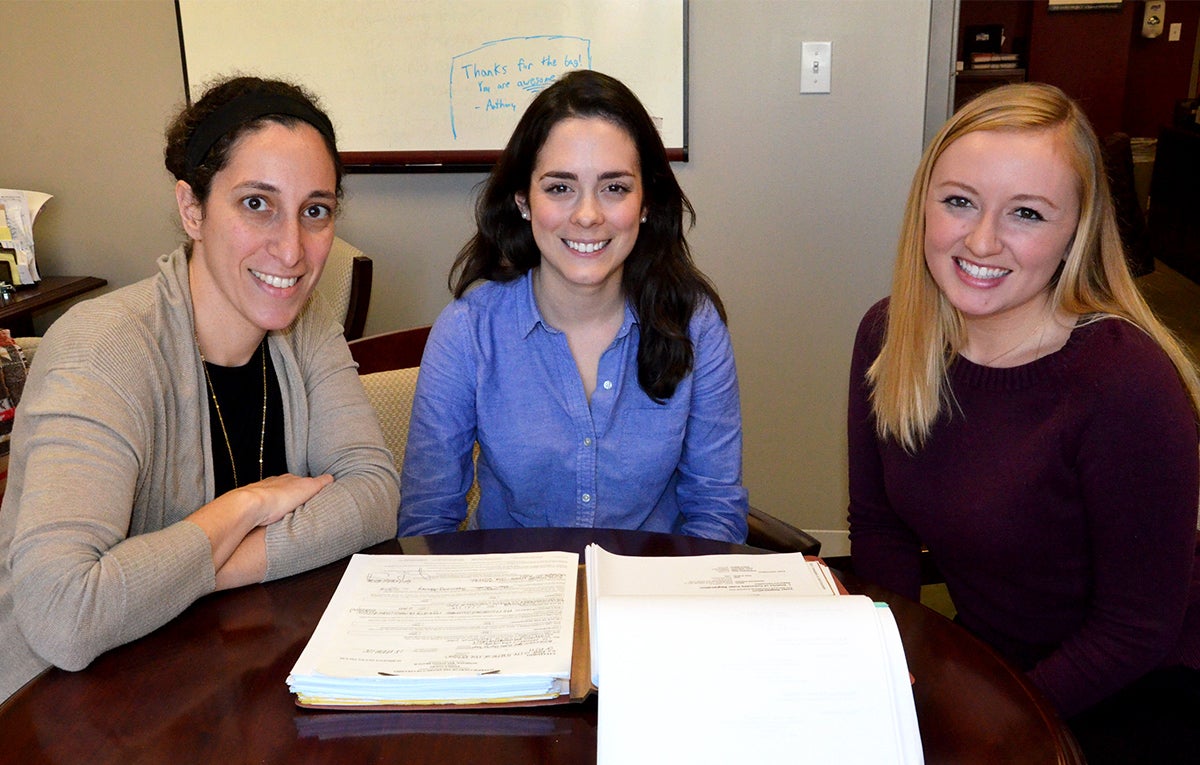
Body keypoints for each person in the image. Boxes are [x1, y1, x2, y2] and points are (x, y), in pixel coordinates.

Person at [0, 76, 399, 702]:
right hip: (58, 704)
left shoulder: (304, 322)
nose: (292, 250)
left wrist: (198, 571)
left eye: (314, 210)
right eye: (256, 203)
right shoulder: (103, 349)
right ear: (192, 209)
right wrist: (242, 509)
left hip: (219, 674)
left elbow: (374, 495)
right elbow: (64, 617)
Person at [847, 82, 1200, 763]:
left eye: (1027, 214)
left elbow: (1135, 630)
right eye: (958, 201)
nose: (981, 240)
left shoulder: (1125, 381)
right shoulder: (891, 335)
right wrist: (895, 670)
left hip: (1141, 691)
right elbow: (881, 525)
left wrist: (991, 713)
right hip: (991, 660)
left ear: (1077, 229)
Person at [398, 70, 747, 542]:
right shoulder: (468, 330)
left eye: (615, 188)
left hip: (651, 597)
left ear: (646, 202)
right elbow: (428, 524)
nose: (587, 215)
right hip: (512, 597)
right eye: (560, 187)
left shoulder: (696, 325)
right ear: (523, 200)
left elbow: (715, 510)